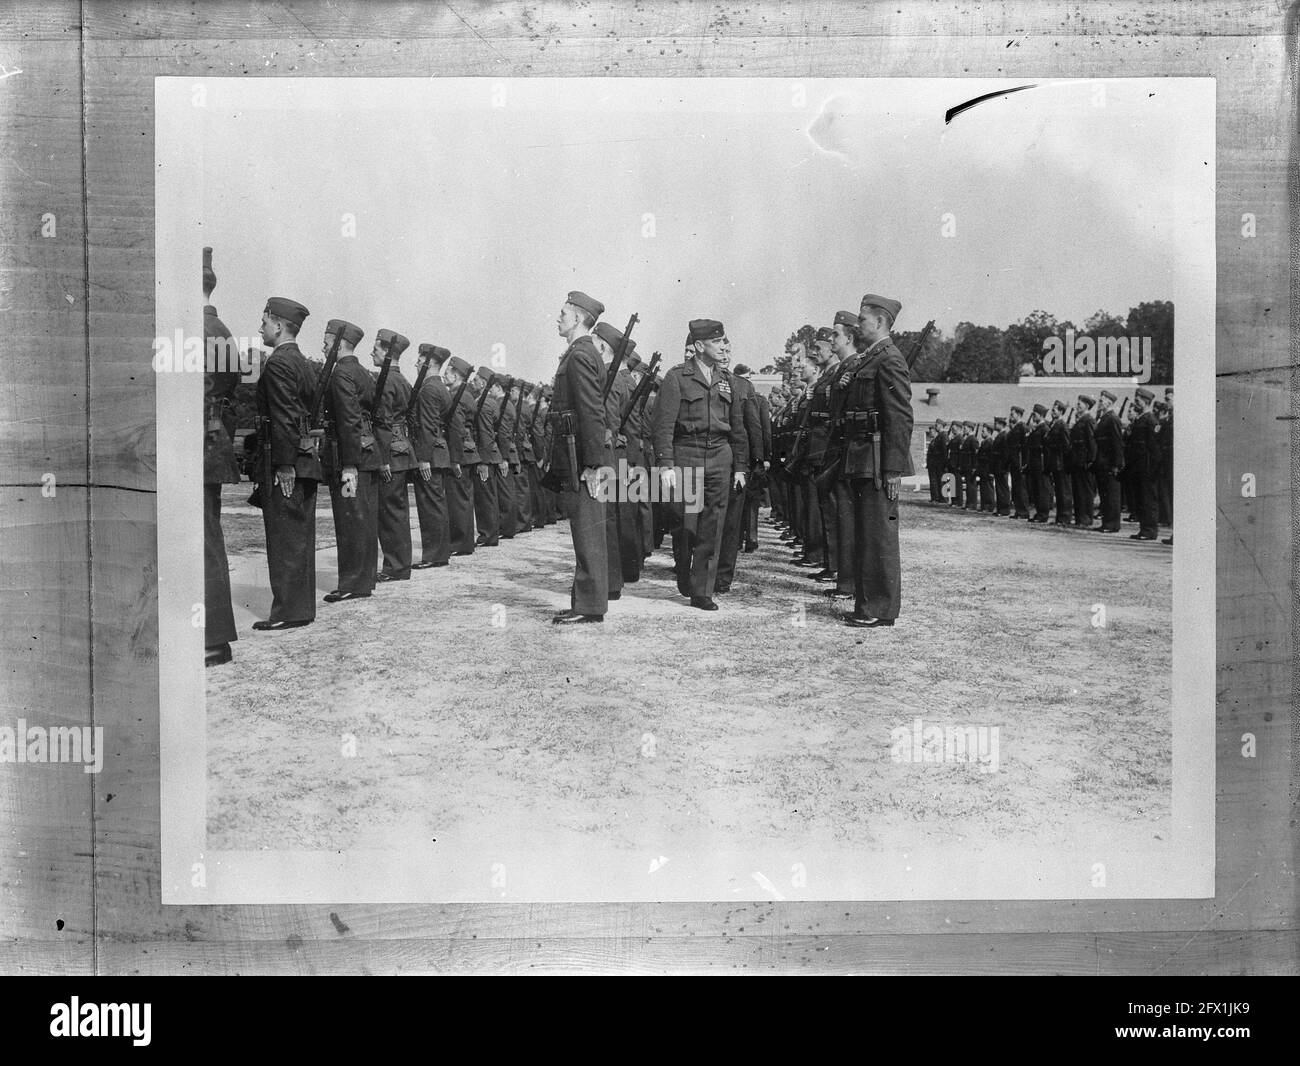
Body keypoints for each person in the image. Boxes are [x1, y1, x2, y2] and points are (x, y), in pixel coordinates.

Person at [651, 318, 749, 610]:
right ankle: (684, 568)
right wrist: (665, 464)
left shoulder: (727, 380)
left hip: (720, 455)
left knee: (713, 523)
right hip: (686, 455)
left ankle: (701, 589)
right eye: (717, 342)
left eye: (724, 341)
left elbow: (738, 428)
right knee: (684, 522)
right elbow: (663, 425)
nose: (723, 346)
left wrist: (741, 468)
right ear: (698, 346)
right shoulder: (677, 377)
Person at [842, 295, 912, 628]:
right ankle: (868, 603)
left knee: (877, 534)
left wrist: (893, 468)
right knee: (865, 534)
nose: (858, 325)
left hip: (877, 457)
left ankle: (879, 607)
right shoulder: (870, 359)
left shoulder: (890, 359)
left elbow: (899, 417)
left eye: (863, 320)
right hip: (861, 455)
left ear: (881, 322)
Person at [253, 296, 320, 631]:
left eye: (264, 322)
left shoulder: (279, 363)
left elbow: (283, 417)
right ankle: (299, 608)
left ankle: (288, 611)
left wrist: (283, 465)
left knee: (284, 537)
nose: (260, 327)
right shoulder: (304, 363)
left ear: (277, 325)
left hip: (287, 461)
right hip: (306, 457)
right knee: (300, 535)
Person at [549, 290, 612, 624]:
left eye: (562, 313)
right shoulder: (580, 353)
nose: (558, 318)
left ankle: (589, 607)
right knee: (585, 531)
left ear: (576, 318)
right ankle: (585, 602)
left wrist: (592, 465)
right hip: (576, 455)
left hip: (581, 459)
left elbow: (591, 413)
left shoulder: (579, 355)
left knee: (587, 531)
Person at [321, 318, 380, 602]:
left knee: (350, 518)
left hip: (351, 459)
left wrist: (348, 464)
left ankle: (353, 584)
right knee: (363, 518)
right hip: (366, 454)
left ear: (338, 343)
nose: (323, 346)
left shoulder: (341, 373)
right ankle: (363, 580)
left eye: (326, 340)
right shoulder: (364, 372)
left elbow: (347, 420)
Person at [202, 251, 241, 664]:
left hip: (195, 444)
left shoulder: (196, 329)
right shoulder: (221, 330)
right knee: (206, 538)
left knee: (202, 542)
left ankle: (212, 639)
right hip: (209, 442)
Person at [713, 345, 763, 594]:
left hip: (736, 463)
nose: (724, 356)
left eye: (728, 352)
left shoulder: (743, 387)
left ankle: (722, 577)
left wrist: (756, 462)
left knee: (731, 524)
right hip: (707, 462)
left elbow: (753, 427)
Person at [592, 321, 635, 594]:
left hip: (607, 458)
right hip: (618, 459)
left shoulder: (608, 378)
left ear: (602, 346)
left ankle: (609, 583)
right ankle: (615, 579)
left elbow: (607, 424)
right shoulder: (621, 379)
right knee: (614, 520)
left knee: (604, 522)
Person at [371, 329, 415, 581]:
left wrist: (383, 459)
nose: (372, 352)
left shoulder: (386, 381)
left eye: (376, 348)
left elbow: (383, 422)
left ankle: (396, 567)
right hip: (401, 449)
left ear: (387, 352)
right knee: (396, 510)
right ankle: (399, 565)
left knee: (390, 512)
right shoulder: (402, 379)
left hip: (390, 452)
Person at [409, 344, 455, 569]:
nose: (416, 363)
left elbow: (427, 426)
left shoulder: (428, 388)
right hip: (439, 452)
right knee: (437, 504)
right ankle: (439, 553)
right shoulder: (441, 387)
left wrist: (423, 457)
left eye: (419, 360)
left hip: (431, 455)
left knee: (430, 507)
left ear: (429, 363)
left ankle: (434, 555)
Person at [441, 355, 480, 555]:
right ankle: (464, 542)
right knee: (464, 498)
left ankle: (460, 543)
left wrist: (454, 459)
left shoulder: (457, 396)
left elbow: (456, 429)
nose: (444, 375)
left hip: (459, 455)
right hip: (468, 452)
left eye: (447, 372)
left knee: (457, 500)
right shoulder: (467, 395)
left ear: (456, 375)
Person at [470, 366, 504, 547]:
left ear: (483, 382)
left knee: (485, 498)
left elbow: (484, 434)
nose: (473, 383)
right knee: (489, 496)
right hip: (491, 455)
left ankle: (488, 535)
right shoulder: (490, 402)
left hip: (485, 457)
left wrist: (482, 461)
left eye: (475, 380)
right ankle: (491, 533)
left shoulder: (482, 404)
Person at [1128, 387, 1160, 540]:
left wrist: (1153, 468)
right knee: (1141, 499)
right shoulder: (1141, 419)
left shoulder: (1151, 420)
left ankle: (1150, 530)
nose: (1135, 403)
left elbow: (1155, 448)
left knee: (1148, 499)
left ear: (1146, 402)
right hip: (1138, 466)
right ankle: (1144, 529)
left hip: (1147, 467)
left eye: (1138, 400)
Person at [1093, 389, 1124, 533]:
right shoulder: (1104, 418)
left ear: (1109, 402)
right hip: (1103, 463)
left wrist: (1117, 465)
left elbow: (1117, 443)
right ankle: (1107, 522)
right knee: (1105, 495)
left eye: (1101, 400)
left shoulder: (1112, 419)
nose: (1099, 402)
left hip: (1110, 464)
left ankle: (1112, 524)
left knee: (1112, 495)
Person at [1070, 394, 1098, 529]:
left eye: (1079, 404)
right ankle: (1080, 517)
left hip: (1084, 462)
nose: (1077, 406)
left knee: (1085, 491)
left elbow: (1092, 442)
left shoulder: (1088, 420)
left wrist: (1091, 460)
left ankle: (1086, 518)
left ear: (1086, 406)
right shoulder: (1081, 420)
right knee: (1078, 490)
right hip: (1077, 461)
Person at [1045, 401, 1073, 525]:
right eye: (1052, 410)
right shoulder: (1055, 425)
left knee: (1064, 492)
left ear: (1061, 412)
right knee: (1060, 492)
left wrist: (1065, 463)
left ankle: (1065, 517)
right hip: (1055, 463)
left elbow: (1067, 446)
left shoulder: (1062, 425)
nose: (1052, 412)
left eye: (1055, 410)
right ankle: (1060, 517)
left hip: (1061, 463)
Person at [1025, 404, 1050, 522]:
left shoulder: (1044, 428)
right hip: (1035, 463)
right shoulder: (1037, 429)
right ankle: (1039, 513)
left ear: (1041, 415)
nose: (1033, 416)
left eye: (1035, 414)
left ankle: (1043, 514)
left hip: (1041, 464)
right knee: (1036, 489)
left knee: (1041, 490)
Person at [1006, 406, 1030, 519]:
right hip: (1014, 461)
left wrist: (1024, 462)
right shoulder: (1015, 428)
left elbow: (1025, 446)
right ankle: (1018, 510)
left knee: (1021, 487)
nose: (1011, 416)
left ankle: (1023, 511)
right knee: (1016, 487)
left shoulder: (1022, 427)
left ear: (1019, 415)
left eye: (1013, 414)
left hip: (1019, 461)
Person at [991, 416, 1011, 516]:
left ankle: (1005, 509)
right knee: (999, 488)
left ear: (1000, 424)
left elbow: (1006, 454)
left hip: (1002, 466)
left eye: (996, 423)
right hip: (998, 466)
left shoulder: (1004, 436)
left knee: (1003, 488)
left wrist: (1005, 467)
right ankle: (1000, 509)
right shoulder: (1000, 436)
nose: (994, 425)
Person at [926, 418, 948, 503]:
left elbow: (944, 451)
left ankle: (943, 499)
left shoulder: (943, 436)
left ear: (941, 425)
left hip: (940, 463)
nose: (936, 426)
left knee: (941, 481)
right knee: (936, 481)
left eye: (937, 424)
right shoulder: (939, 436)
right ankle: (937, 498)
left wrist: (945, 463)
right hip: (935, 463)